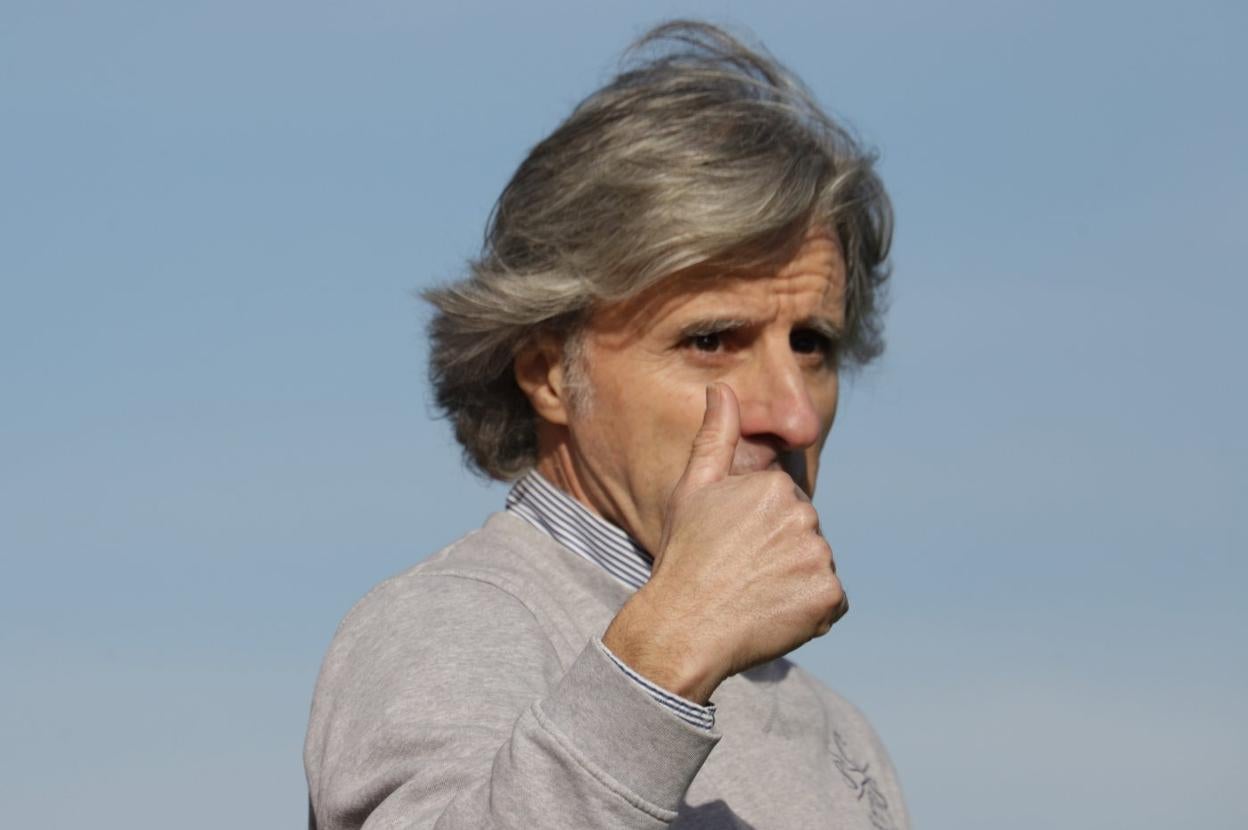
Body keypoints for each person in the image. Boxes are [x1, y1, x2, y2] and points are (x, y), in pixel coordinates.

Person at [305, 20, 907, 830]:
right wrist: (670, 651)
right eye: (711, 341)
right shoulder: (451, 623)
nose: (794, 414)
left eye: (813, 345)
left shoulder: (841, 737)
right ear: (549, 372)